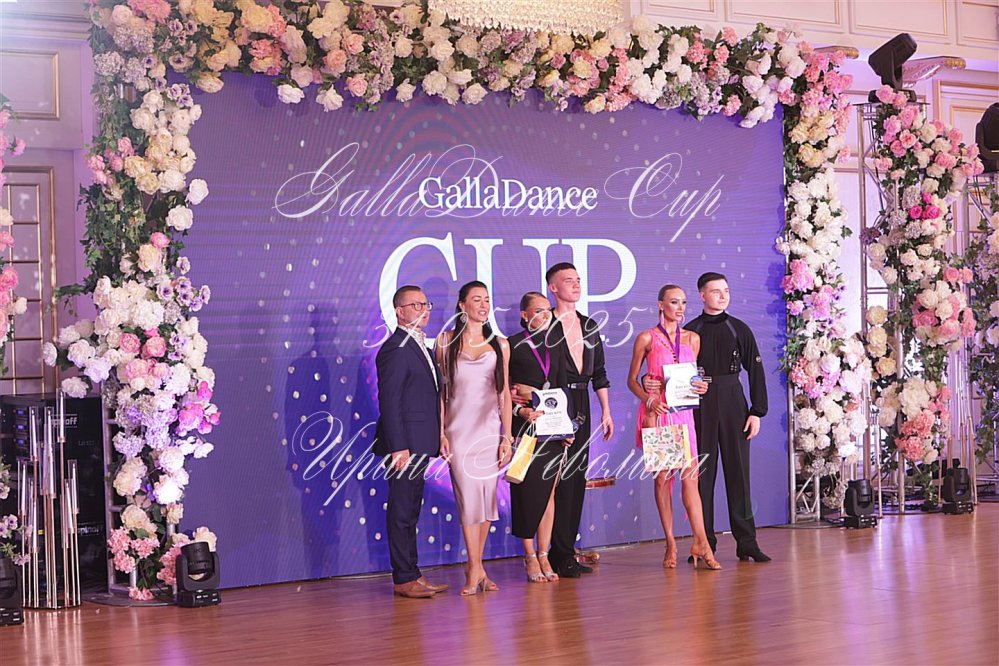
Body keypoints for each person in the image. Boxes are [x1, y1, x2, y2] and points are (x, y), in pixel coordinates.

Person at [646, 272, 770, 562]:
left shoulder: (739, 329)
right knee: (702, 477)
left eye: (726, 290)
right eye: (715, 291)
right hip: (697, 407)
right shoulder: (690, 331)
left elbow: (756, 371)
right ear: (702, 296)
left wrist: (757, 411)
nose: (723, 296)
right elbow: (664, 370)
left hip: (733, 402)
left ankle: (747, 542)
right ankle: (705, 542)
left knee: (739, 475)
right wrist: (648, 382)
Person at [524, 262, 613, 579]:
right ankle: (543, 553)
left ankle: (565, 552)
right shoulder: (544, 324)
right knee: (551, 480)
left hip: (582, 403)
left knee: (575, 479)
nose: (575, 284)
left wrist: (606, 410)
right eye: (568, 280)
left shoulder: (589, 325)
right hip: (553, 405)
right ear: (553, 287)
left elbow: (599, 372)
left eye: (578, 279)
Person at [627, 285, 720, 570]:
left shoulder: (693, 338)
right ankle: (670, 542)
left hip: (684, 415)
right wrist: (649, 398)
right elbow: (632, 380)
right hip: (659, 414)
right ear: (660, 305)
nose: (680, 308)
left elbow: (693, 377)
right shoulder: (646, 338)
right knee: (662, 479)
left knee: (691, 479)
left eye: (683, 303)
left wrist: (701, 386)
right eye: (674, 302)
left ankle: (701, 542)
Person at [435, 281, 514, 595]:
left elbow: (504, 394)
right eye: (477, 299)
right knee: (468, 500)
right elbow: (442, 393)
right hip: (458, 431)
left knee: (485, 500)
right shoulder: (445, 342)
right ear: (462, 305)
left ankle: (476, 567)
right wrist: (441, 432)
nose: (483, 305)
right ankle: (475, 568)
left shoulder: (500, 344)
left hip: (489, 431)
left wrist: (507, 437)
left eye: (487, 300)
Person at [374, 285, 450, 598]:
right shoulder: (395, 348)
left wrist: (438, 434)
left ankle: (413, 574)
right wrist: (398, 446)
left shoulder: (421, 346)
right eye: (415, 305)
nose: (424, 310)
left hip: (421, 441)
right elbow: (389, 402)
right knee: (402, 510)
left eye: (425, 304)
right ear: (399, 311)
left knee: (411, 511)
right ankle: (403, 578)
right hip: (405, 445)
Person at [508, 292, 574, 583]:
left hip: (553, 428)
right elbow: (503, 391)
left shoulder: (555, 345)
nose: (545, 315)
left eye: (548, 310)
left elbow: (562, 388)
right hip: (525, 428)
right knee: (526, 491)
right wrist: (518, 410)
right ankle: (529, 555)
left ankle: (544, 553)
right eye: (538, 310)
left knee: (549, 492)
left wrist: (567, 427)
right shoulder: (511, 345)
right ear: (524, 315)